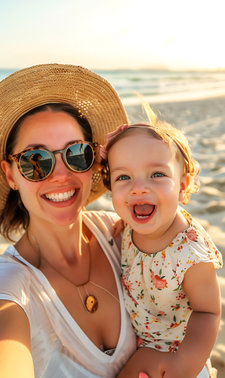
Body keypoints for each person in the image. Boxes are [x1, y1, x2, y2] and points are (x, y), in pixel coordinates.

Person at [0, 63, 140, 378]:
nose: (62, 175)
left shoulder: (127, 234)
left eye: (76, 153)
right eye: (36, 160)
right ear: (10, 174)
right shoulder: (11, 286)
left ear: (93, 161)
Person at [100, 106, 222, 378]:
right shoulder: (130, 229)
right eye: (123, 177)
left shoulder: (190, 252)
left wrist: (183, 364)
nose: (138, 187)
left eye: (157, 174)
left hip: (178, 357)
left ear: (182, 185)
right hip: (139, 347)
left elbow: (208, 313)